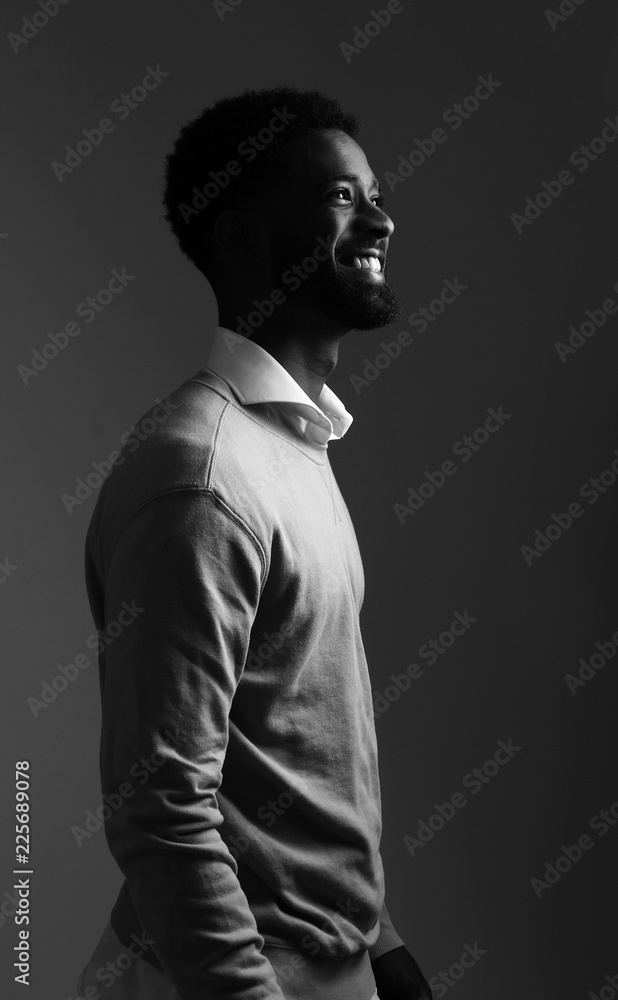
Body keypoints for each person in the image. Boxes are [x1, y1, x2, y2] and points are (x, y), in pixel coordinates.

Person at [76, 85, 433, 1000]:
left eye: (376, 194)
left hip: (330, 965)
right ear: (240, 238)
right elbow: (160, 808)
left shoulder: (293, 443)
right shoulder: (202, 478)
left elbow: (300, 737)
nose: (382, 221)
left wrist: (379, 941)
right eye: (341, 197)